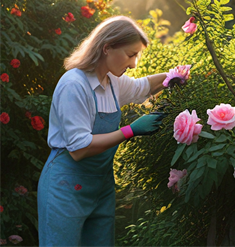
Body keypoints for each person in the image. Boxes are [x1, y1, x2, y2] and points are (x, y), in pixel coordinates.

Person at [37, 16, 170, 247]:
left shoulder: (112, 82)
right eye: (131, 55)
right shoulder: (74, 85)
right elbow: (79, 149)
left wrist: (173, 77)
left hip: (101, 187)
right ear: (107, 47)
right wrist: (130, 131)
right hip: (65, 187)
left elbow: (143, 87)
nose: (133, 64)